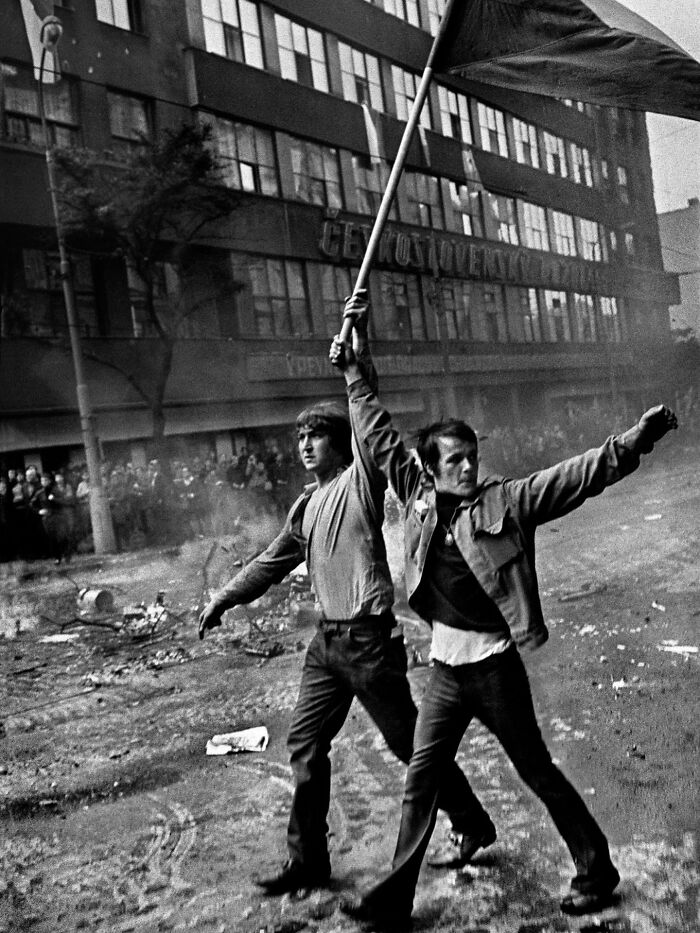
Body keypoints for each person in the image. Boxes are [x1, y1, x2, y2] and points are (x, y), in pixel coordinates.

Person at [330, 299, 678, 928]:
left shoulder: (507, 502)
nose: (467, 468)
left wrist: (634, 443)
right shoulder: (415, 495)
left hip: (493, 668)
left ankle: (595, 869)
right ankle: (393, 901)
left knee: (536, 769)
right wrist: (355, 375)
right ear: (431, 470)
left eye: (471, 457)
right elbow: (379, 436)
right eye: (454, 461)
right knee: (421, 776)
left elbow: (578, 475)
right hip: (444, 670)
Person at [198, 297, 492, 897]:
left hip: (368, 640)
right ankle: (308, 863)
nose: (307, 445)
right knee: (305, 747)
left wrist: (356, 359)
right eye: (301, 437)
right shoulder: (305, 507)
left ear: (339, 443)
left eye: (317, 436)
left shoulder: (360, 481)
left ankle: (470, 821)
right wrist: (224, 597)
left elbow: (370, 426)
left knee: (411, 745)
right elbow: (269, 564)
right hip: (327, 647)